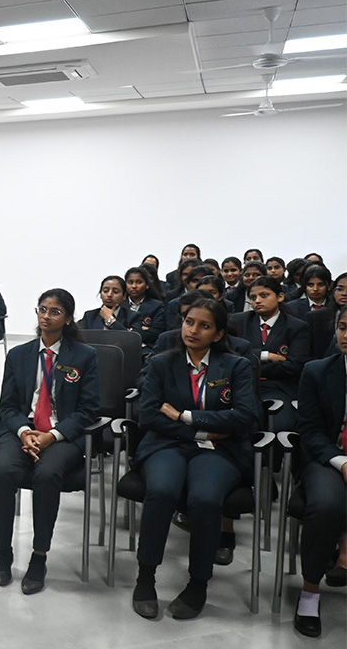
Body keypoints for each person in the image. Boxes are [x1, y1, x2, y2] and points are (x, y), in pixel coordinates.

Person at [131, 298, 258, 621]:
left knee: (205, 499)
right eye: (189, 322)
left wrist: (184, 416)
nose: (193, 330)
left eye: (204, 326)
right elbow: (149, 415)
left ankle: (198, 583)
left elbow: (244, 417)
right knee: (161, 491)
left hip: (219, 452)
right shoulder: (162, 363)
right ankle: (145, 578)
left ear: (218, 334)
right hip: (167, 445)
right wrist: (204, 430)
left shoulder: (236, 366)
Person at [0, 289, 99, 595]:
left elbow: (89, 409)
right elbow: (8, 406)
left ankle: (39, 556)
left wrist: (53, 435)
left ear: (68, 318)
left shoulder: (84, 356)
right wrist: (25, 431)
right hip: (22, 430)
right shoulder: (19, 354)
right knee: (3, 471)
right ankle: (4, 551)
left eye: (55, 311)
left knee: (47, 475)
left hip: (63, 434)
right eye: (42, 309)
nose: (46, 316)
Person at [291, 307, 347, 637]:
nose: (346, 335)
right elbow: (310, 431)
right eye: (343, 327)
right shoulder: (317, 371)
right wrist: (341, 463)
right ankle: (310, 592)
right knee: (327, 506)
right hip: (327, 457)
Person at [236, 276, 311, 433]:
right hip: (243, 386)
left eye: (264, 295)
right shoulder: (239, 322)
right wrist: (266, 356)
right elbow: (231, 355)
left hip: (279, 387)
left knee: (282, 425)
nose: (257, 301)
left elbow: (295, 366)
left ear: (280, 297)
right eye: (253, 297)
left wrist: (250, 365)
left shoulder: (297, 327)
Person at [125, 265, 167, 353]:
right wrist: (142, 329)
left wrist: (133, 332)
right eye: (130, 282)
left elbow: (156, 332)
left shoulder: (156, 305)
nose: (134, 286)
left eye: (139, 282)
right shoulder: (119, 304)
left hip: (146, 350)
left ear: (147, 285)